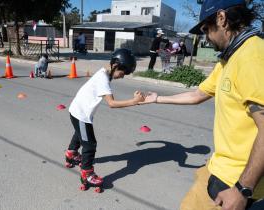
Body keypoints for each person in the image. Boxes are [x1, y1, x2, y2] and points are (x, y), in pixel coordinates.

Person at [141, 0, 264, 209]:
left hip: (235, 181)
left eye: (207, 29)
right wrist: (157, 98)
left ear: (222, 19)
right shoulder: (229, 58)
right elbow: (198, 94)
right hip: (221, 168)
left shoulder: (252, 57)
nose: (206, 36)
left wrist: (243, 188)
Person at [64, 48, 145, 190]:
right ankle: (87, 173)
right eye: (123, 72)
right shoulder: (103, 79)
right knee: (90, 144)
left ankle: (71, 153)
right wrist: (134, 101)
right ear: (115, 65)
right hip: (81, 114)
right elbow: (112, 103)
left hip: (79, 111)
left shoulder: (105, 73)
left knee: (80, 134)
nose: (123, 76)